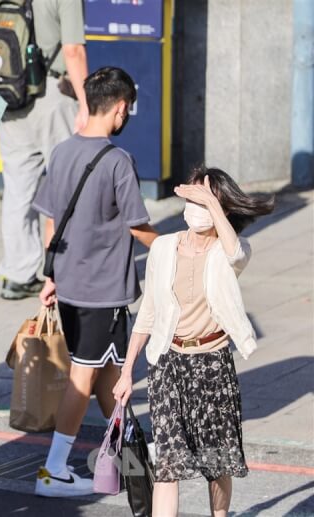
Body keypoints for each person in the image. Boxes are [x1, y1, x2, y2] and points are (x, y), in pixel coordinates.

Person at [113, 168, 274, 517]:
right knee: (168, 461)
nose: (194, 207)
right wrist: (126, 372)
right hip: (168, 363)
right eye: (191, 199)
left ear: (221, 207)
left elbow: (236, 254)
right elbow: (148, 314)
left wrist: (213, 204)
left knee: (216, 463)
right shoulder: (163, 248)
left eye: (203, 201)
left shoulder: (227, 251)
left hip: (212, 364)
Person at [31, 66, 158, 497]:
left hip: (70, 286)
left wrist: (51, 275)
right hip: (102, 292)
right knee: (83, 380)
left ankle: (133, 462)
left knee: (110, 379)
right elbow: (139, 228)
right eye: (129, 110)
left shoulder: (63, 151)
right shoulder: (118, 161)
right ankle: (54, 469)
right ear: (120, 107)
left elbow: (50, 219)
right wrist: (178, 246)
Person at [0, 0, 90, 300]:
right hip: (53, 95)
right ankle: (65, 271)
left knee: (18, 190)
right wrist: (85, 103)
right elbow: (73, 51)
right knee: (69, 185)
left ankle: (18, 274)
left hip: (9, 94)